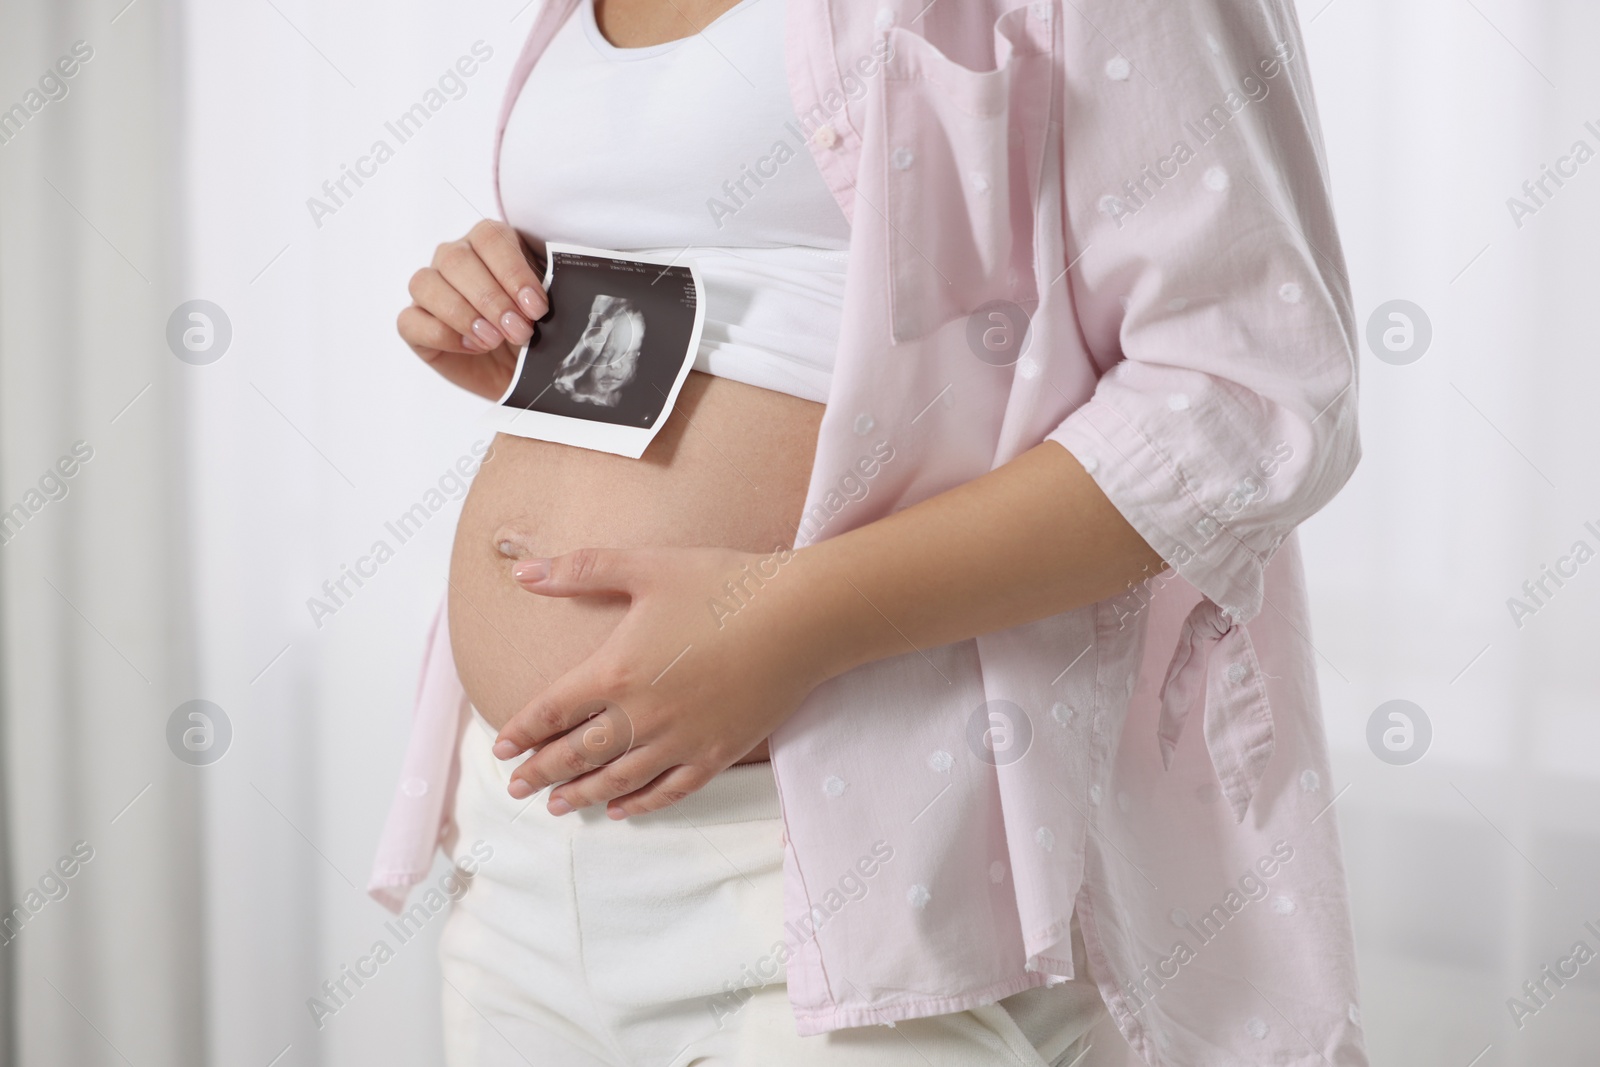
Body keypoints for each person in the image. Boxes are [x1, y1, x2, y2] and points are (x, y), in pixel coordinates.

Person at [379, 0, 1371, 1064]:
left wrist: (791, 619)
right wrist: (523, 327)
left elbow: (1247, 394)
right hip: (524, 844)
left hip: (849, 863)